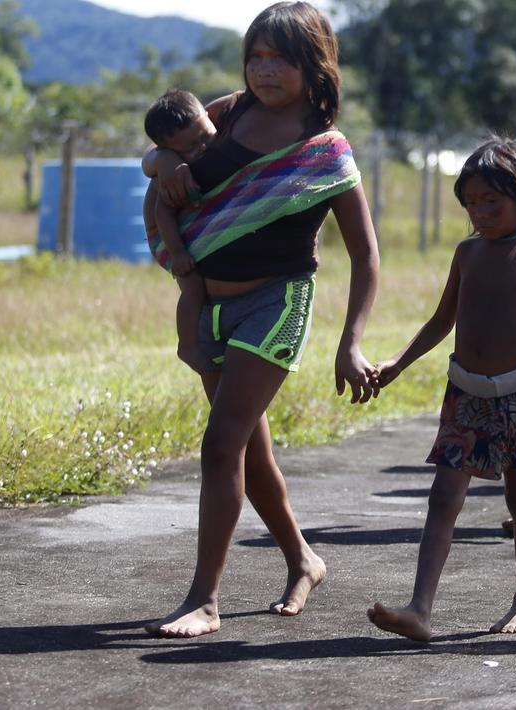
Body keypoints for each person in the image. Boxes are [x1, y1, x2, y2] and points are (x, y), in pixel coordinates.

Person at [141, 2, 380, 638]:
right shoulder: (231, 111)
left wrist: (351, 342)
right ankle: (304, 558)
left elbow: (365, 255)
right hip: (207, 304)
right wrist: (163, 165)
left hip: (275, 304)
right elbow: (159, 155)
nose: (265, 69)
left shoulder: (324, 151)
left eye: (281, 58)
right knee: (246, 445)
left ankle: (204, 599)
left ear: (314, 63)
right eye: (257, 56)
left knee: (220, 444)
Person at [366, 139, 516, 642]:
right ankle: (420, 608)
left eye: (492, 202)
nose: (480, 213)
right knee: (444, 497)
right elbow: (444, 319)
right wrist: (398, 362)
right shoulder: (467, 252)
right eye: (472, 203)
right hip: (465, 395)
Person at [142, 88, 216, 374]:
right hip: (168, 238)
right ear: (169, 152)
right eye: (190, 148)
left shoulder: (214, 136)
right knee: (193, 287)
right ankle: (187, 345)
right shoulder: (175, 174)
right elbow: (163, 212)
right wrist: (178, 252)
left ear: (209, 117)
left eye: (205, 136)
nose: (202, 148)